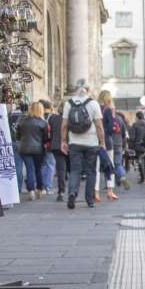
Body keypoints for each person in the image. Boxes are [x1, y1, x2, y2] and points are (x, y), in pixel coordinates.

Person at [61, 79, 106, 209]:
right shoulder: (94, 104)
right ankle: (90, 200)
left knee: (75, 170)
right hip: (91, 143)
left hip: (74, 142)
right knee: (91, 171)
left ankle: (72, 193)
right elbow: (99, 126)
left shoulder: (68, 103)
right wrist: (102, 142)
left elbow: (64, 125)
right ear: (88, 90)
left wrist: (63, 141)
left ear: (76, 89)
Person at [16, 101, 49, 200]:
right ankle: (40, 188)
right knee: (38, 169)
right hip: (38, 149)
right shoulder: (43, 123)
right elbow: (46, 139)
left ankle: (31, 190)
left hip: (24, 148)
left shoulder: (23, 121)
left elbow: (18, 136)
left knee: (29, 169)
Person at [96, 90, 119, 201]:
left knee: (95, 167)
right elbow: (111, 127)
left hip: (95, 140)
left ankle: (96, 192)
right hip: (106, 141)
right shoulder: (108, 110)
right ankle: (110, 191)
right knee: (109, 165)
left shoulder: (96, 108)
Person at [46, 100, 68, 202]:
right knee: (74, 170)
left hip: (56, 146)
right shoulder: (71, 119)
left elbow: (49, 132)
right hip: (71, 145)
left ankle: (61, 192)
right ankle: (72, 192)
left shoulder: (53, 118)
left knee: (61, 170)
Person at [40, 99, 56, 195]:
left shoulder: (38, 116)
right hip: (50, 144)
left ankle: (41, 187)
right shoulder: (53, 117)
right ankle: (48, 187)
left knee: (42, 165)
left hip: (39, 145)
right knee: (50, 165)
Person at [113, 111, 131, 190]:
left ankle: (110, 184)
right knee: (118, 164)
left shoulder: (106, 118)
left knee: (109, 164)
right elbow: (124, 134)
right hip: (119, 144)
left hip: (109, 144)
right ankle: (122, 177)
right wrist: (124, 145)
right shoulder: (120, 120)